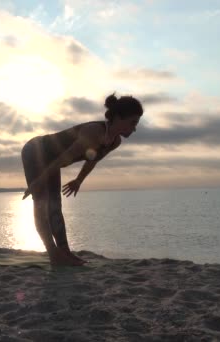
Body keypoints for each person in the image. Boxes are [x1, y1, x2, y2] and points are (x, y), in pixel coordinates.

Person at [21, 93, 144, 266]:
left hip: (53, 161)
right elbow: (65, 157)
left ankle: (64, 252)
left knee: (55, 206)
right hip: (35, 151)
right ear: (118, 117)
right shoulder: (93, 131)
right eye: (133, 123)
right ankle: (53, 255)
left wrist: (78, 180)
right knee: (41, 203)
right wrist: (39, 181)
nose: (134, 128)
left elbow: (92, 159)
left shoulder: (114, 141)